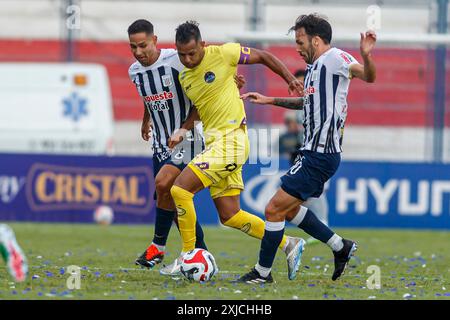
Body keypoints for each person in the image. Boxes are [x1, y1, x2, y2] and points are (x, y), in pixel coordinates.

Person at [239, 13, 376, 283]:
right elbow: (306, 104)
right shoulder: (314, 69)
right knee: (287, 210)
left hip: (321, 154)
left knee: (273, 209)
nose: (297, 48)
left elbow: (369, 77)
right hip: (312, 151)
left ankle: (262, 273)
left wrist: (367, 56)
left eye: (301, 41)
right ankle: (340, 246)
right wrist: (269, 100)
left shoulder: (336, 58)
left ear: (316, 40)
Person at [169, 20, 306, 281]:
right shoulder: (185, 77)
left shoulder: (224, 53)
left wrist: (289, 79)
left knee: (179, 189)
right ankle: (288, 244)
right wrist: (183, 130)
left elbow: (264, 56)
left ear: (203, 45)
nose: (187, 59)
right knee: (230, 215)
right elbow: (204, 104)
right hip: (216, 144)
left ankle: (188, 255)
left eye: (192, 53)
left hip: (231, 143)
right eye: (181, 54)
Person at [127, 19, 209, 275]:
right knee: (171, 199)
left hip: (190, 139)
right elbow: (148, 97)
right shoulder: (134, 72)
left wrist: (184, 128)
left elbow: (200, 98)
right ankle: (201, 253)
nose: (139, 52)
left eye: (143, 45)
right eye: (133, 47)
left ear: (154, 40)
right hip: (160, 144)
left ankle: (157, 247)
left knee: (166, 186)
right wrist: (146, 119)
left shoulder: (177, 60)